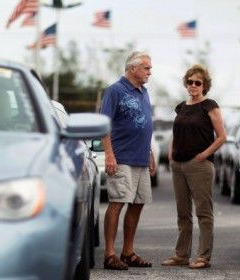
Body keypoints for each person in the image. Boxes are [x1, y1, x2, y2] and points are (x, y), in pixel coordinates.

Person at [161, 64, 226, 269]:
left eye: (198, 82)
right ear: (186, 83)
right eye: (190, 82)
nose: (193, 85)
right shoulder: (181, 107)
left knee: (203, 212)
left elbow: (222, 136)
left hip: (199, 165)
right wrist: (171, 153)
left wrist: (204, 155)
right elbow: (177, 131)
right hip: (178, 165)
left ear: (204, 85)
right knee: (183, 212)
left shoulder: (210, 106)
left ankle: (203, 257)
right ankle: (181, 254)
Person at [100, 51, 155, 270]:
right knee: (117, 202)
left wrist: (149, 152)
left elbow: (145, 125)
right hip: (121, 157)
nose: (150, 72)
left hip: (140, 158)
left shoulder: (144, 92)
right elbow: (104, 124)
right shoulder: (115, 90)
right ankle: (110, 254)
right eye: (147, 68)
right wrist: (109, 154)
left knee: (138, 203)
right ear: (133, 68)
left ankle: (128, 252)